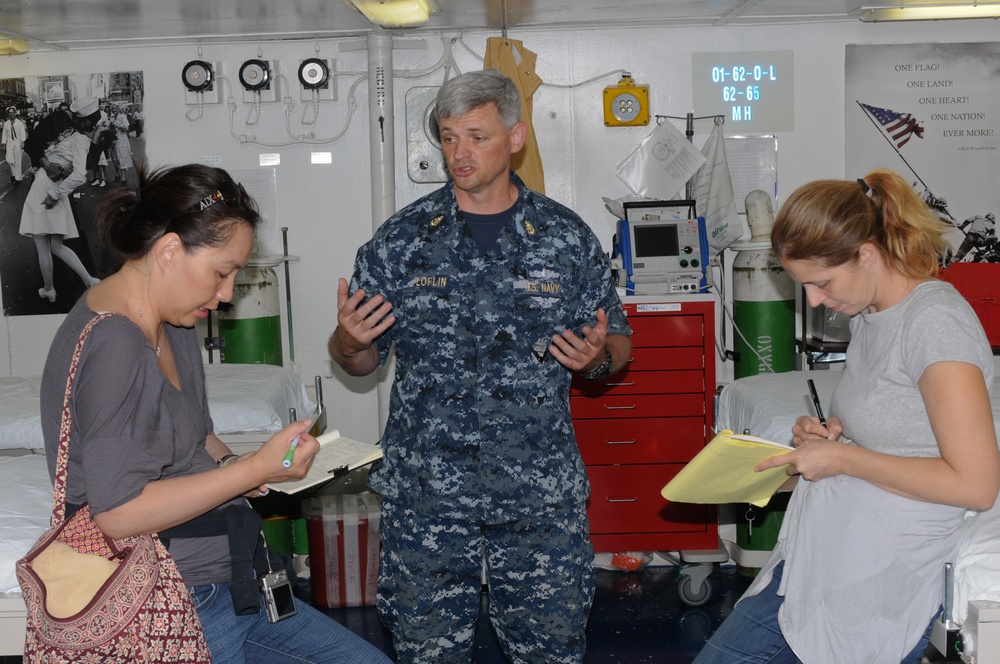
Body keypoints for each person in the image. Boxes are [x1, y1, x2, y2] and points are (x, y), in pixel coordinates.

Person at [329, 68, 632, 663]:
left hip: (538, 495)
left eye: (476, 136)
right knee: (427, 653)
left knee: (551, 650)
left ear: (516, 137)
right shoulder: (401, 241)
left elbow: (617, 344)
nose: (459, 153)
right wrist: (348, 340)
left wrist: (598, 359)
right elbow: (359, 361)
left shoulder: (564, 239)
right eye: (447, 137)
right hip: (427, 497)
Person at [39, 162, 393, 664]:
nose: (226, 295)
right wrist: (253, 469)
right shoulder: (115, 346)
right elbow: (117, 515)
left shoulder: (175, 324)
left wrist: (236, 469)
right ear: (168, 251)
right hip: (169, 597)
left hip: (228, 579)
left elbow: (196, 433)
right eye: (221, 273)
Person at [693, 168, 999, 664]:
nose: (815, 301)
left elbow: (975, 484)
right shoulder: (870, 314)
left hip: (890, 563)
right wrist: (832, 435)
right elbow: (897, 424)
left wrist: (843, 460)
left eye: (821, 283)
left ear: (867, 254)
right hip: (834, 547)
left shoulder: (936, 323)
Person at [18, 97, 102, 303]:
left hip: (48, 188)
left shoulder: (80, 136)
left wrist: (55, 191)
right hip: (55, 187)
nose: (87, 126)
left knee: (44, 244)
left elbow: (83, 170)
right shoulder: (70, 129)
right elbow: (34, 144)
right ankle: (85, 280)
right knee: (56, 244)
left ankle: (52, 288)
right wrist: (48, 163)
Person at [2, 106, 27, 184]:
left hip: (17, 143)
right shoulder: (6, 124)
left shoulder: (19, 123)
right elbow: (4, 134)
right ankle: (13, 174)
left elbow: (22, 133)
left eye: (13, 112)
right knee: (9, 160)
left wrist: (22, 142)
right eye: (10, 112)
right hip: (9, 143)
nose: (11, 114)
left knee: (18, 160)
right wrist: (4, 144)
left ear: (15, 113)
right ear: (8, 114)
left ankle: (18, 178)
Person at [111, 105, 133, 184]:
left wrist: (118, 126)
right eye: (113, 109)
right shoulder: (112, 117)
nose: (114, 110)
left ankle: (123, 178)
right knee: (115, 157)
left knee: (122, 157)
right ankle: (117, 175)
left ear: (119, 109)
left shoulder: (123, 117)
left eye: (115, 109)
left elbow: (126, 127)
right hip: (114, 139)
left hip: (121, 139)